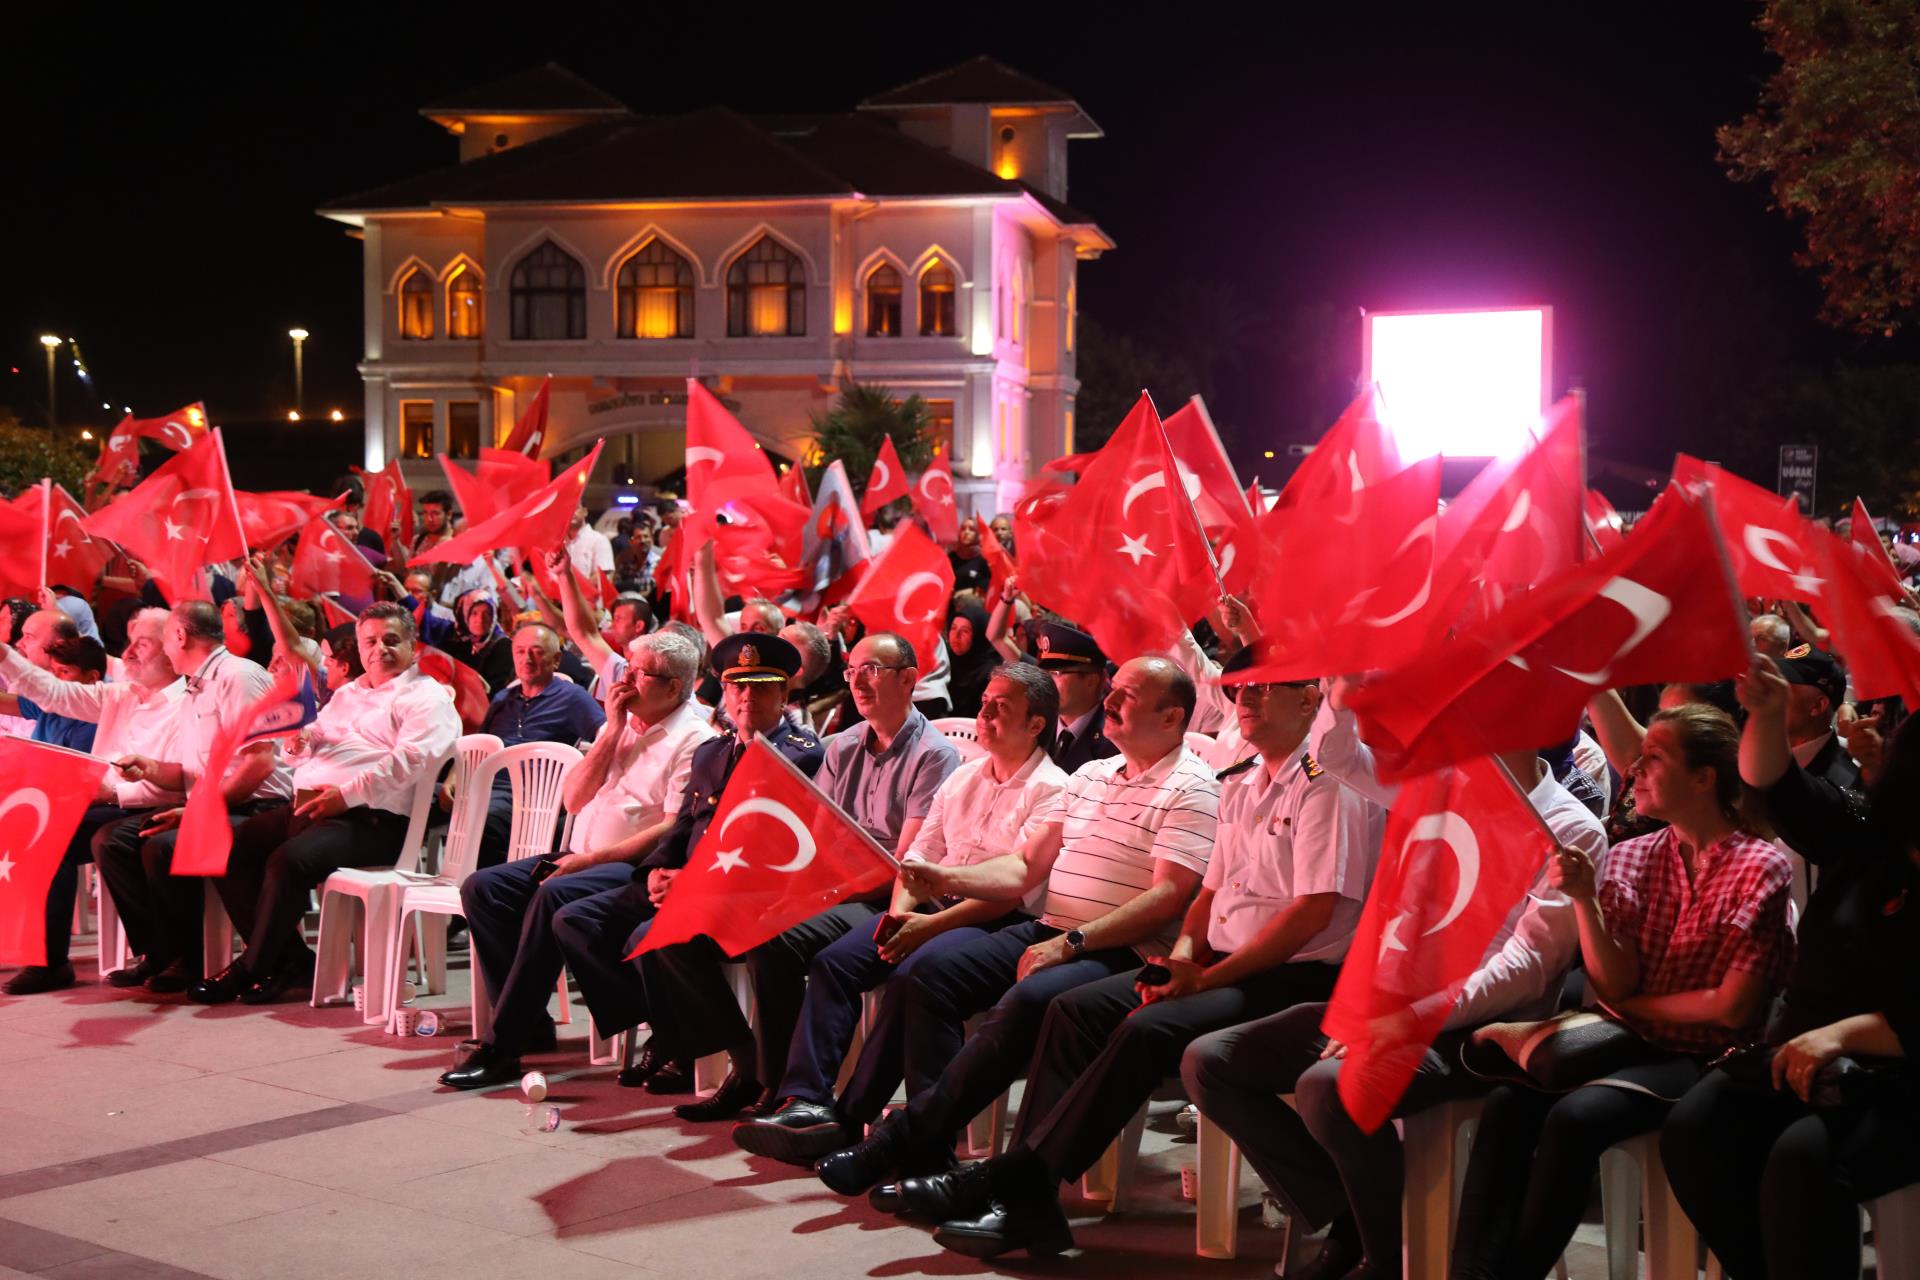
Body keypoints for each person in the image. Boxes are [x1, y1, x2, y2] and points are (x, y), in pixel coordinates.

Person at [906, 655, 1387, 1260]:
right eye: (1241, 688)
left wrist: (1204, 977)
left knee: (1146, 1029)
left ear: (1310, 701)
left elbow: (1312, 914)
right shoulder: (1242, 780)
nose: (1247, 699)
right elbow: (1209, 893)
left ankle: (1016, 1184)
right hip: (1222, 964)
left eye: (1267, 688)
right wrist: (1181, 957)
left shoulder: (1328, 784)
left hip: (1294, 975)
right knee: (1073, 1008)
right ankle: (1030, 1194)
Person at [1178, 686, 1609, 1280]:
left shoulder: (1568, 829)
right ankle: (1351, 1218)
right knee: (1212, 1061)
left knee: (1330, 1088)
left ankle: (1382, 1260)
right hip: (1390, 1004)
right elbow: (1338, 755)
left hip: (1479, 1030)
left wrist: (1409, 1018)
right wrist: (1342, 686)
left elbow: (1528, 968)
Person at [811, 657, 1217, 1206]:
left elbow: (1168, 896)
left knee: (1032, 998)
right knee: (928, 973)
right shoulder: (1091, 775)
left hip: (1119, 948)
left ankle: (911, 1141)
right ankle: (929, 1152)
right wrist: (944, 877)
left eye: (1128, 695)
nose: (1111, 701)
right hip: (1052, 929)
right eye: (1113, 690)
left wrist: (1072, 943)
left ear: (1171, 718)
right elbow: (1025, 867)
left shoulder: (1193, 787)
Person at [1449, 704, 1795, 1280]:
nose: (1634, 769)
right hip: (1627, 1040)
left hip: (1708, 1055)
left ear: (1703, 777)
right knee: (1509, 1103)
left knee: (1577, 1117)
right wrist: (1584, 899)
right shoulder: (1634, 854)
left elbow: (1732, 1008)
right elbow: (1616, 983)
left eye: (1655, 758)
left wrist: (1630, 1008)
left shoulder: (1759, 864)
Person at [733, 661, 1068, 1163]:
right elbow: (916, 858)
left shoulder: (1050, 787)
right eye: (984, 702)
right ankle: (805, 1100)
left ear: (1036, 723)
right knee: (836, 962)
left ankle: (852, 1119)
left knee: (912, 976)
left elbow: (1009, 889)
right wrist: (898, 917)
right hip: (927, 906)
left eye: (1001, 707)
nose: (984, 714)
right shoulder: (965, 776)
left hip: (992, 918)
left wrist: (925, 927)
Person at [1661, 656, 1920, 1279]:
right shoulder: (1870, 835)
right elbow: (1780, 788)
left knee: (1804, 1159)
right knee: (1697, 1128)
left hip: (1897, 1069)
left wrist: (1842, 1036)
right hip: (1810, 1049)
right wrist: (1769, 712)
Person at [633, 632, 961, 1120]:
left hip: (881, 895)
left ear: (909, 679)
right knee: (672, 932)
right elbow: (813, 836)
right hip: (825, 884)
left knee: (773, 940)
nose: (858, 682)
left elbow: (901, 866)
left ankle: (778, 1083)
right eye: (852, 671)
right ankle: (748, 1064)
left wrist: (804, 895)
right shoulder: (843, 745)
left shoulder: (933, 754)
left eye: (872, 670)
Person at [535, 634, 828, 1089]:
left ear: (783, 694)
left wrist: (689, 881)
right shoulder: (715, 751)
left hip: (746, 891)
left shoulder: (799, 755)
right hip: (688, 880)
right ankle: (672, 1034)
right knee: (575, 920)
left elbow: (768, 846)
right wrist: (655, 870)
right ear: (724, 691)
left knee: (653, 936)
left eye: (761, 687)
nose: (747, 697)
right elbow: (685, 825)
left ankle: (739, 1064)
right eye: (737, 687)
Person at [437, 630, 716, 1088]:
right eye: (627, 668)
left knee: (553, 893)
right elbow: (573, 799)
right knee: (483, 888)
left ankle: (503, 1046)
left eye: (640, 673)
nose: (625, 681)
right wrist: (615, 730)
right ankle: (531, 1022)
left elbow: (670, 828)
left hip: (632, 865)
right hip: (581, 854)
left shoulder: (694, 738)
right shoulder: (617, 724)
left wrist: (587, 863)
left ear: (672, 687)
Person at [187, 602, 459, 1005]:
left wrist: (345, 795)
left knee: (288, 861)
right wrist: (300, 742)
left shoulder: (426, 696)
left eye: (391, 640)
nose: (379, 649)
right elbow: (315, 735)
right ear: (359, 646)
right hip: (312, 805)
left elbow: (409, 762)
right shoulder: (349, 692)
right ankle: (292, 963)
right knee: (225, 845)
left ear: (412, 644)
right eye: (370, 641)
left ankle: (251, 968)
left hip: (375, 819)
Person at [94, 600, 296, 994]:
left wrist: (195, 812)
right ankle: (160, 951)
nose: (166, 649)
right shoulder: (194, 687)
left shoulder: (238, 676)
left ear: (180, 635)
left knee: (164, 847)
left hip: (256, 806)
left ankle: (190, 958)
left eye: (164, 639)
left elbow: (259, 763)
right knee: (112, 840)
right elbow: (189, 773)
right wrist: (149, 767)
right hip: (211, 802)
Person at [0, 609, 183, 994]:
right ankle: (47, 961)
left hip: (154, 805)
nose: (127, 653)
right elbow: (51, 692)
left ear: (172, 652)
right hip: (111, 802)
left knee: (73, 834)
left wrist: (111, 792)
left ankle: (160, 954)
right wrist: (4, 655)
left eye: (141, 644)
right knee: (40, 831)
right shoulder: (122, 695)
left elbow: (180, 781)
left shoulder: (186, 703)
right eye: (129, 643)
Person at [467, 622, 605, 866]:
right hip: (486, 787)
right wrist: (453, 779)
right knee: (417, 800)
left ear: (556, 660)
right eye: (520, 651)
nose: (527, 659)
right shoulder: (503, 698)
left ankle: (487, 884)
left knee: (483, 820)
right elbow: (478, 746)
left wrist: (577, 782)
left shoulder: (572, 697)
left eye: (537, 651)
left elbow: (606, 738)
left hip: (530, 797)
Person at [0, 608, 92, 750]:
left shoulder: (86, 709)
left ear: (58, 644)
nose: (19, 643)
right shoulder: (43, 695)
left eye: (29, 637)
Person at [1032, 622, 1116, 773]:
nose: (1047, 682)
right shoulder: (1035, 725)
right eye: (1045, 674)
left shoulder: (1114, 740)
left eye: (1056, 673)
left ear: (1091, 681)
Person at [443, 589, 513, 693]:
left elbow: (495, 690)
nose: (480, 620)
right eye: (474, 613)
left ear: (494, 616)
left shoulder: (503, 646)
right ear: (465, 614)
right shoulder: (458, 639)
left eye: (487, 614)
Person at [943, 601, 996, 720]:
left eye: (965, 631)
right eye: (953, 628)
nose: (956, 635)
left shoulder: (989, 674)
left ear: (979, 635)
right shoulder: (944, 660)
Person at [565, 505, 615, 580]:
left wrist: (579, 587)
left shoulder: (599, 539)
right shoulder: (560, 542)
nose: (572, 511)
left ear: (585, 511)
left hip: (588, 587)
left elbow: (602, 574)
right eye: (567, 509)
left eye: (576, 508)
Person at [949, 517, 991, 594]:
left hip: (973, 598)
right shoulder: (951, 557)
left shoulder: (984, 558)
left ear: (978, 534)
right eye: (963, 529)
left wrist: (972, 591)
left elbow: (988, 583)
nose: (966, 532)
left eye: (971, 529)